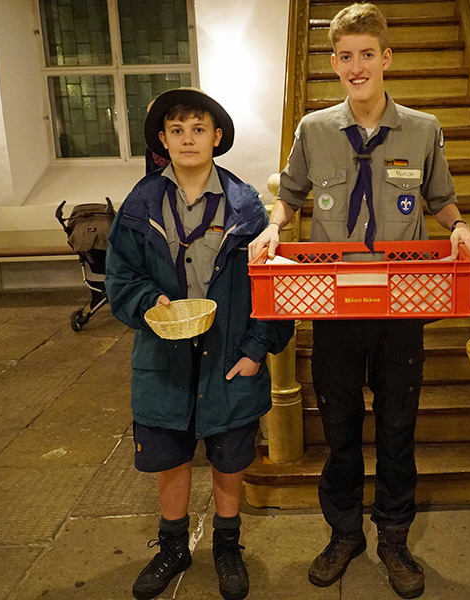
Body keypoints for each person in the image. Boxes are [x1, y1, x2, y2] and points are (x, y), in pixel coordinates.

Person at [248, 4, 470, 598]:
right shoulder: (314, 129)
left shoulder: (424, 129)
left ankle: (394, 538)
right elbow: (290, 196)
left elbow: (441, 199)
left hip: (401, 304)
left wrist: (458, 227)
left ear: (386, 58)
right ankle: (345, 532)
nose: (357, 67)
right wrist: (273, 227)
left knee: (399, 426)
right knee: (340, 425)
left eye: (367, 55)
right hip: (334, 303)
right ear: (334, 63)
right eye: (346, 57)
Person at [106, 87, 294, 600]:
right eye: (177, 130)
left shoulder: (246, 206)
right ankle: (172, 547)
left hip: (229, 355)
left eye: (198, 129)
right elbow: (120, 277)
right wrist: (150, 303)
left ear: (216, 136)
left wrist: (256, 350)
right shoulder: (140, 204)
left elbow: (273, 290)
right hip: (163, 353)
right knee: (169, 449)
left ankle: (227, 546)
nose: (187, 139)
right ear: (163, 141)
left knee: (230, 454)